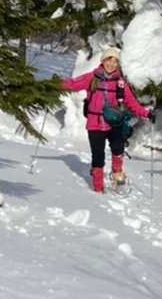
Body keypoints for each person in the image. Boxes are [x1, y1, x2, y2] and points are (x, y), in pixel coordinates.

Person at [60, 48, 153, 193]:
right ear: (103, 61)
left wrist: (147, 114)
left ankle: (117, 173)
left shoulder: (120, 83)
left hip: (113, 122)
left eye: (115, 62)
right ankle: (98, 188)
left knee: (118, 148)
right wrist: (56, 84)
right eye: (109, 60)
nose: (112, 64)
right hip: (95, 123)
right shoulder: (92, 77)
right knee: (98, 155)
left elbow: (132, 102)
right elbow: (74, 84)